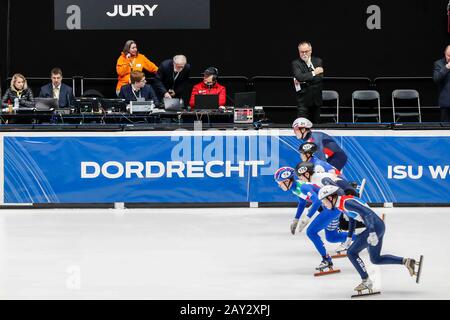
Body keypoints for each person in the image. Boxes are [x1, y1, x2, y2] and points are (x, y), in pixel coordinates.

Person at [318, 185, 423, 296]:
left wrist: (372, 231)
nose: (324, 204)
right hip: (377, 226)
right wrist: (349, 238)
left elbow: (367, 213)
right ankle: (407, 261)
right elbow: (352, 219)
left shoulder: (347, 203)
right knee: (376, 259)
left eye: (324, 200)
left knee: (351, 253)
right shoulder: (340, 204)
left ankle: (366, 281)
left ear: (331, 197)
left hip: (374, 227)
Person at [274, 164, 355, 273]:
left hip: (332, 207)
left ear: (287, 181)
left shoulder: (302, 187)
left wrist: (307, 218)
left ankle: (326, 259)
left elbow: (316, 200)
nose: (279, 186)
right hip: (331, 207)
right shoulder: (295, 187)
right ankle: (362, 238)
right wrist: (296, 219)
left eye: (280, 183)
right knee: (332, 237)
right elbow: (302, 202)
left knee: (311, 232)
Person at [292, 41, 324, 124]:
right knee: (303, 128)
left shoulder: (318, 61)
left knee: (316, 128)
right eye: (301, 52)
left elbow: (319, 78)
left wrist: (304, 79)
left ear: (311, 50)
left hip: (316, 101)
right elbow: (299, 77)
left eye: (306, 51)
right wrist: (314, 73)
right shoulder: (296, 63)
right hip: (303, 102)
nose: (304, 54)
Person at [433, 45, 450, 122]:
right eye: (449, 55)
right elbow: (436, 79)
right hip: (446, 102)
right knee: (445, 129)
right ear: (445, 53)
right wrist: (446, 68)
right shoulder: (438, 64)